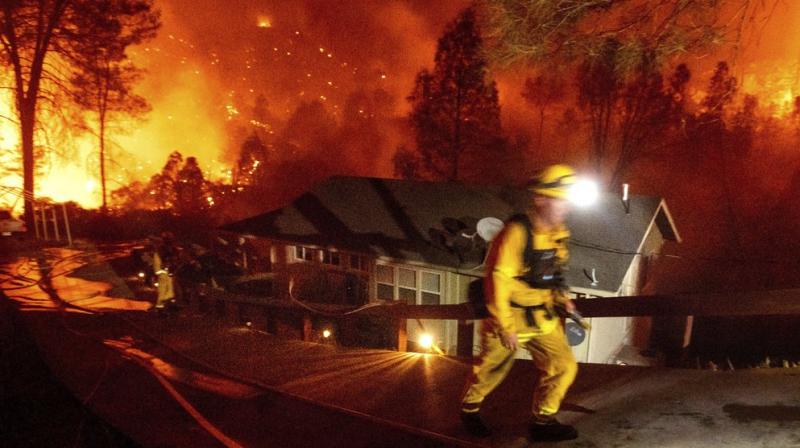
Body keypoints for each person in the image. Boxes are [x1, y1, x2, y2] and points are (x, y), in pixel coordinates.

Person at [460, 164, 580, 441]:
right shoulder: (517, 233)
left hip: (542, 315)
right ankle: (469, 409)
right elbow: (498, 278)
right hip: (509, 318)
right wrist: (504, 326)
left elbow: (551, 273)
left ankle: (543, 420)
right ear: (541, 199)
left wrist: (563, 299)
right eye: (560, 199)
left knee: (563, 366)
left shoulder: (557, 233)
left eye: (567, 200)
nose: (566, 206)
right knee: (491, 370)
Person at [153, 232, 178, 312]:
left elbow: (176, 259)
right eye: (168, 239)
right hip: (164, 273)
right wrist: (162, 271)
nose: (170, 241)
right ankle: (160, 308)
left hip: (172, 272)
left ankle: (172, 305)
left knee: (172, 290)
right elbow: (158, 263)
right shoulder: (160, 250)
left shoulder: (173, 249)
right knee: (163, 291)